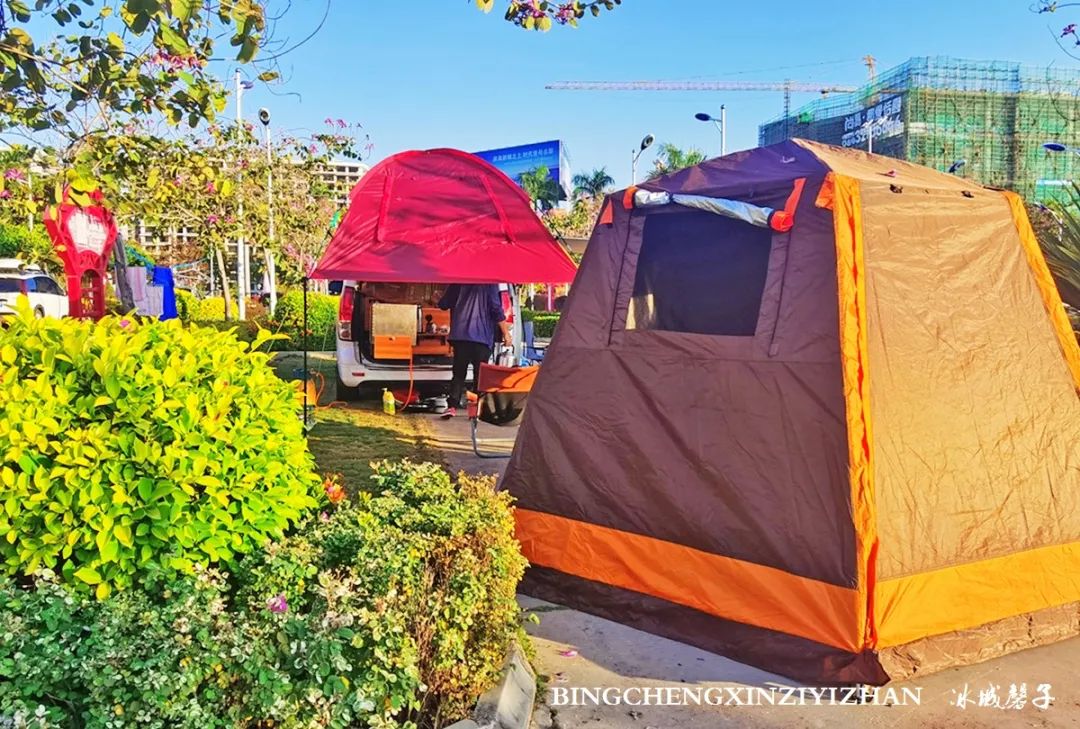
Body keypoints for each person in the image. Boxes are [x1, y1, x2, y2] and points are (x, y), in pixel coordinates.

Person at [438, 283, 511, 417]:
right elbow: (495, 308)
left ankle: (452, 407)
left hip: (460, 335)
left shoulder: (458, 281)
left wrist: (437, 296)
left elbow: (444, 304)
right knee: (480, 376)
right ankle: (477, 409)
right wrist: (506, 333)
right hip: (481, 338)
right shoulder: (490, 283)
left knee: (459, 374)